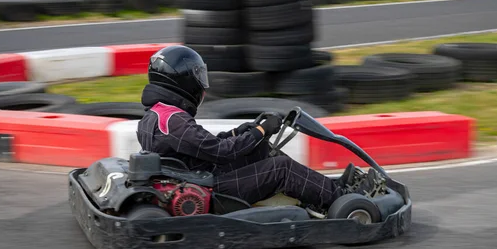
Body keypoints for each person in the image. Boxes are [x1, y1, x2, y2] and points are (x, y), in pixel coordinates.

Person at [136, 45, 380, 210]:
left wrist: (240, 133)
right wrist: (260, 131)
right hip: (209, 190)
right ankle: (344, 201)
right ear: (184, 80)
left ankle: (325, 190)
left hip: (195, 176)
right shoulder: (174, 120)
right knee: (280, 168)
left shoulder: (157, 114)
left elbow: (201, 147)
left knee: (260, 151)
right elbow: (220, 152)